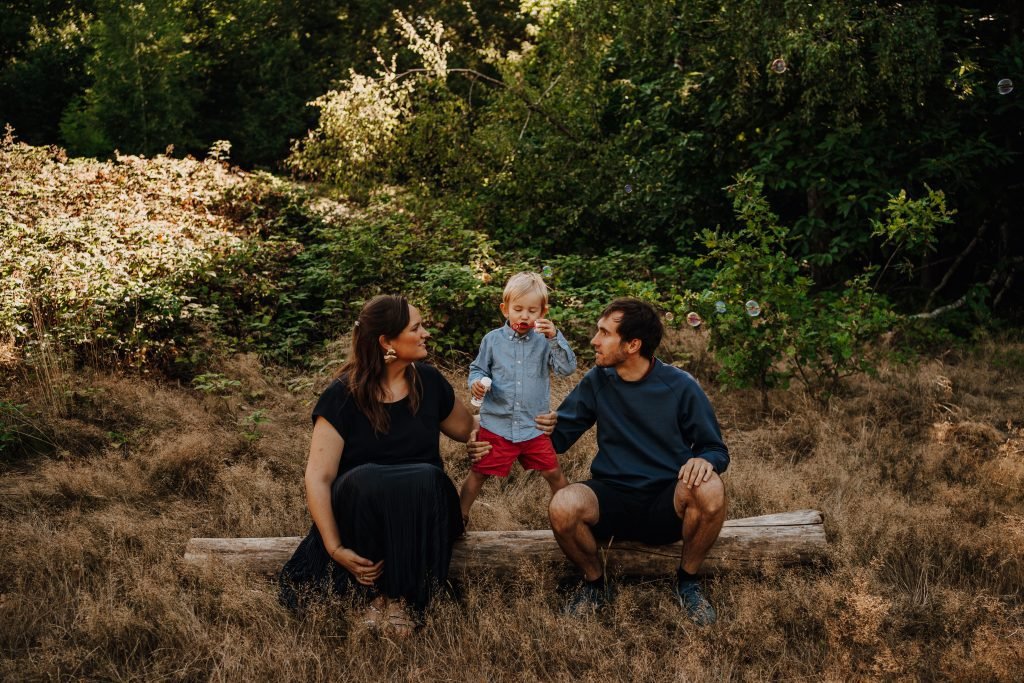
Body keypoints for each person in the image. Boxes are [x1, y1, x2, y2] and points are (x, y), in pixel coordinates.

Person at [471, 297, 729, 624]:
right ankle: (595, 583)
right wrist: (530, 425)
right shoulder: (598, 380)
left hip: (667, 501)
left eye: (604, 333)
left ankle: (688, 582)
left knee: (710, 488)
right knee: (563, 505)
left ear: (633, 344)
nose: (594, 340)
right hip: (612, 498)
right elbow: (559, 438)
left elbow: (715, 450)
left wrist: (704, 461)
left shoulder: (680, 385)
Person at [278, 295, 479, 636]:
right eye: (416, 328)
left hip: (423, 507)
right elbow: (318, 477)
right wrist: (334, 548)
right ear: (387, 342)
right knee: (366, 479)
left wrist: (503, 426)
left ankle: (400, 597)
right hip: (364, 515)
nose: (426, 334)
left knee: (425, 477)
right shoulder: (342, 395)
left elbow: (468, 429)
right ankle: (373, 597)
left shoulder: (429, 382)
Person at [459, 272, 576, 524]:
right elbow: (478, 369)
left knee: (553, 472)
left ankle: (573, 515)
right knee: (478, 473)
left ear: (543, 312)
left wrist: (555, 337)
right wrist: (476, 384)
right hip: (497, 425)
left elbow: (567, 369)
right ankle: (458, 516)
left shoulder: (546, 342)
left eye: (532, 310)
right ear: (505, 309)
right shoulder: (492, 341)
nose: (524, 316)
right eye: (518, 309)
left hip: (531, 427)